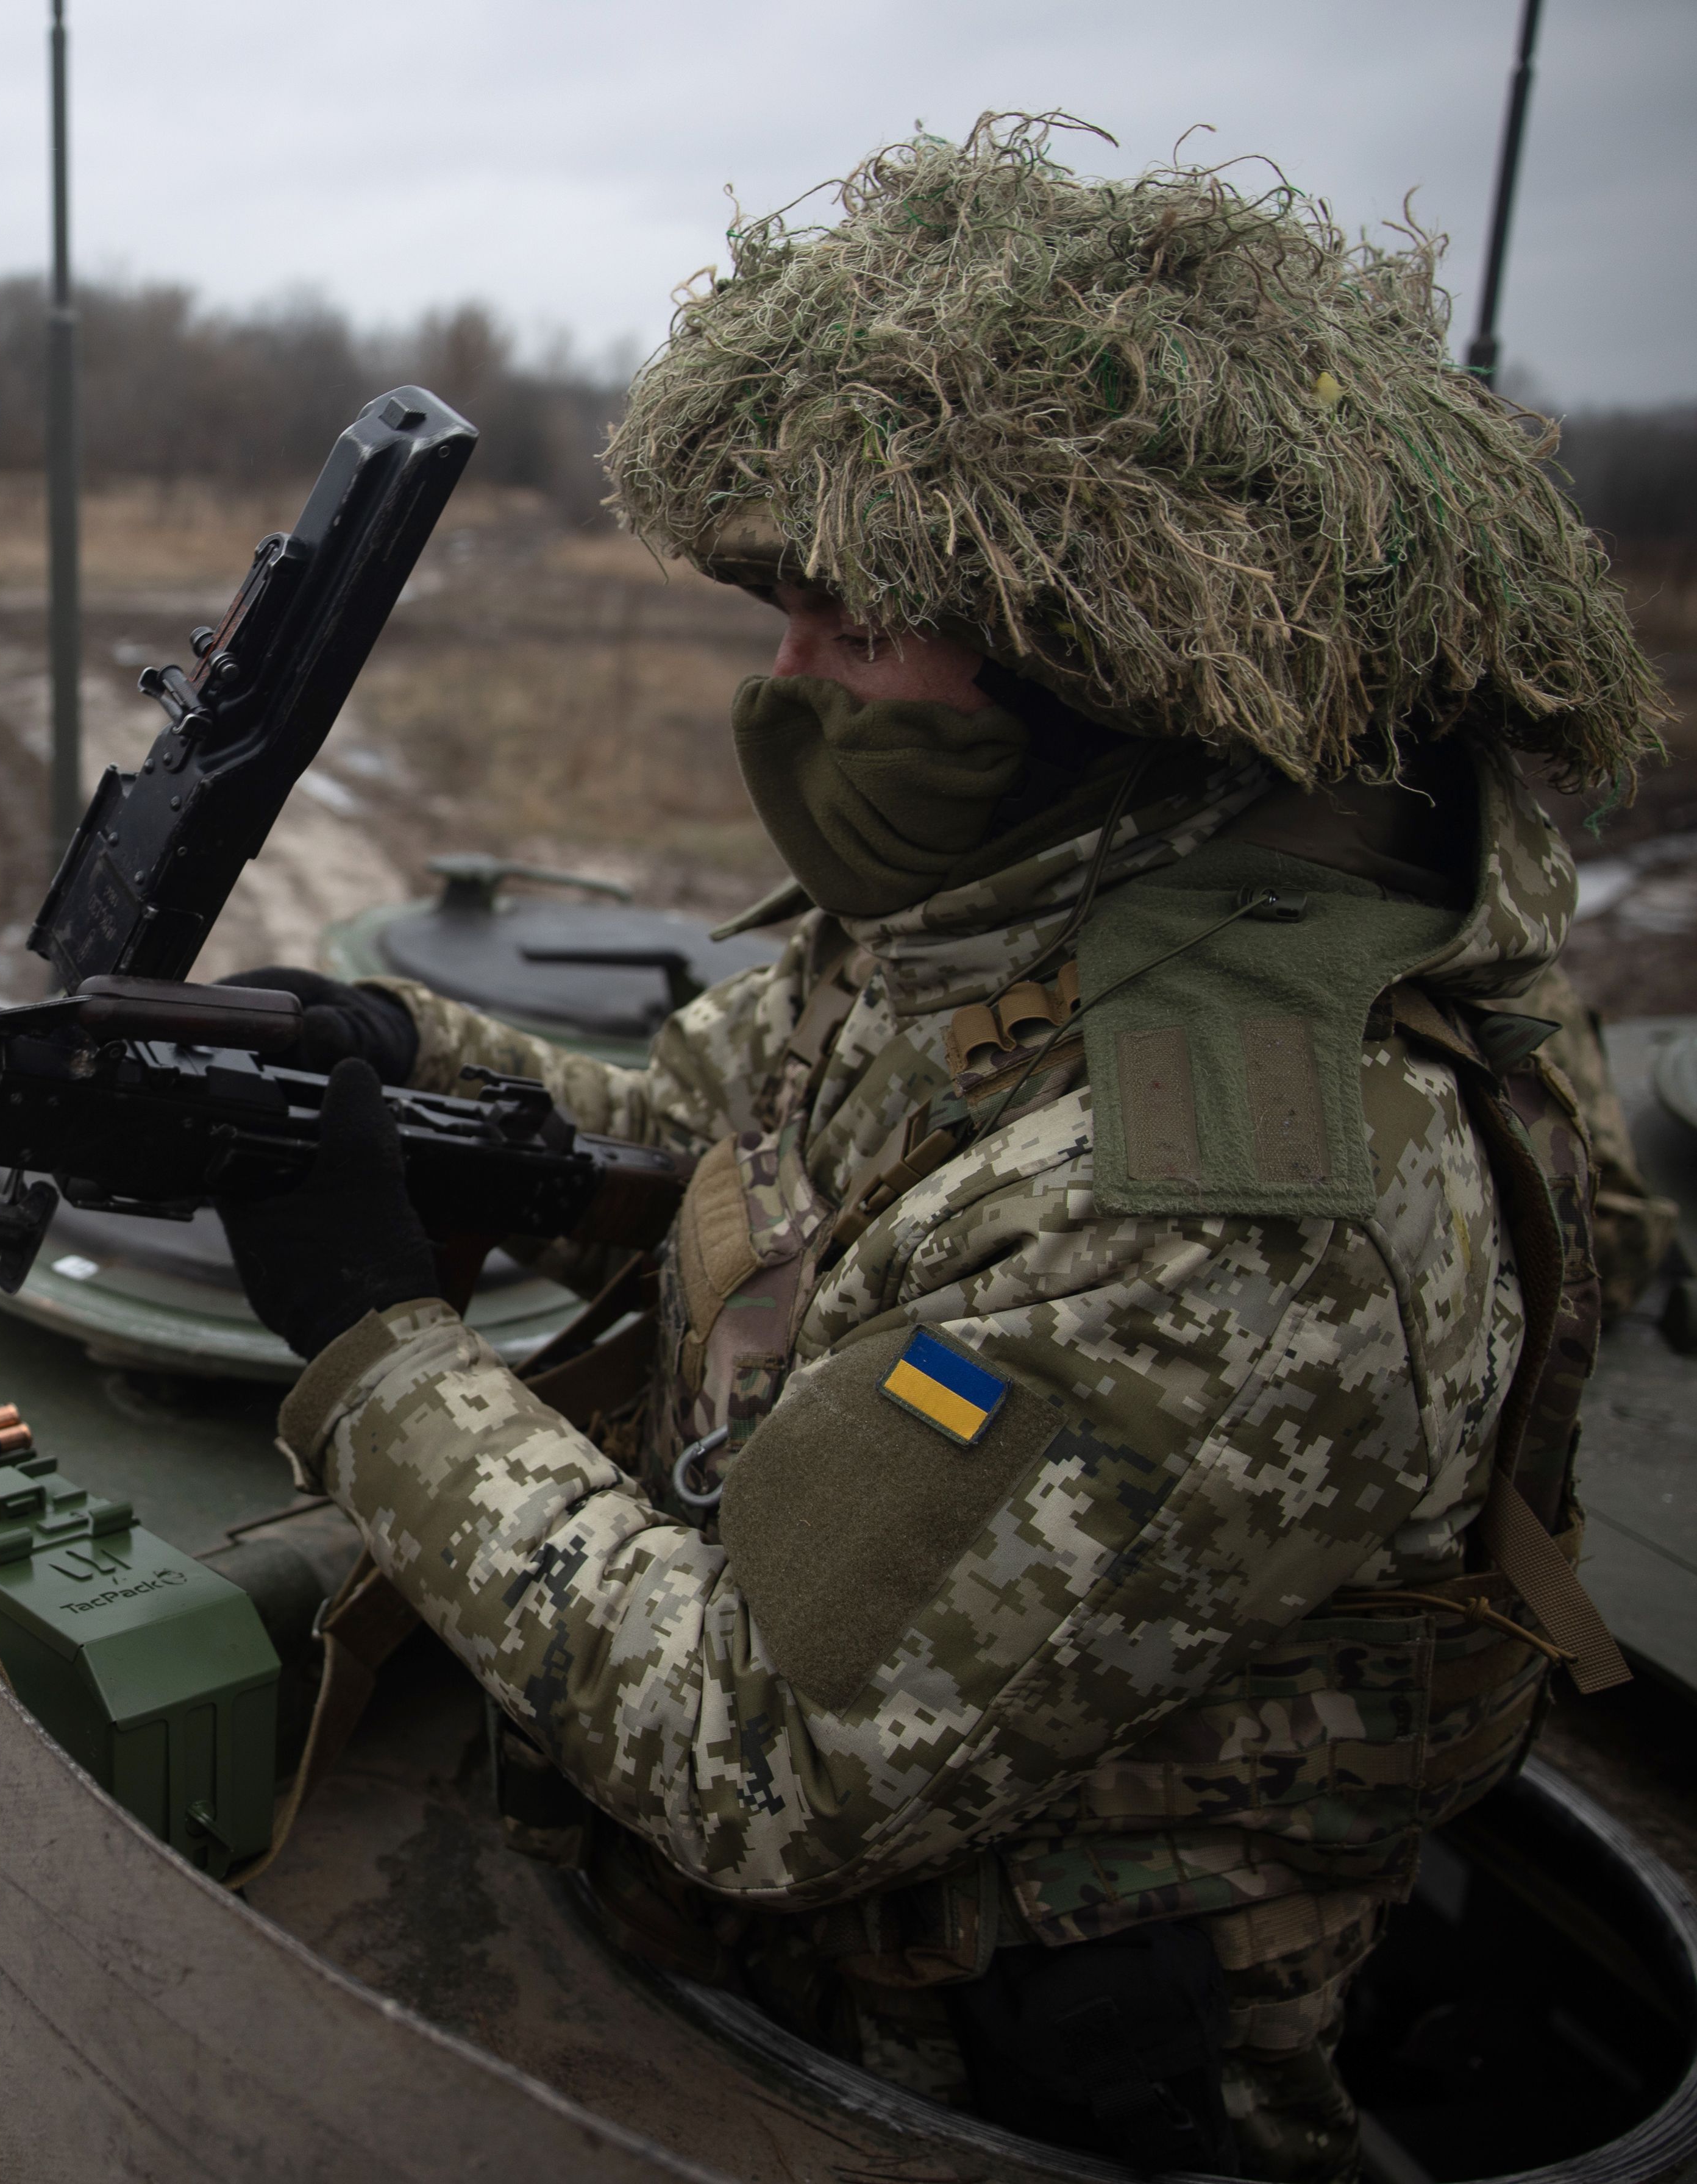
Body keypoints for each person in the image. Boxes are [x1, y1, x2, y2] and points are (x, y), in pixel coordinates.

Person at [216, 116, 1672, 2182]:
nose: (783, 686)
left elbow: (758, 1754)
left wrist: (376, 1350)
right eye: (782, 613)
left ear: (1099, 678)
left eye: (852, 630)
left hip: (968, 2076)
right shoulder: (1040, 903)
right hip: (812, 1951)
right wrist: (380, 1055)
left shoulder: (1226, 1209)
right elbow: (733, 1114)